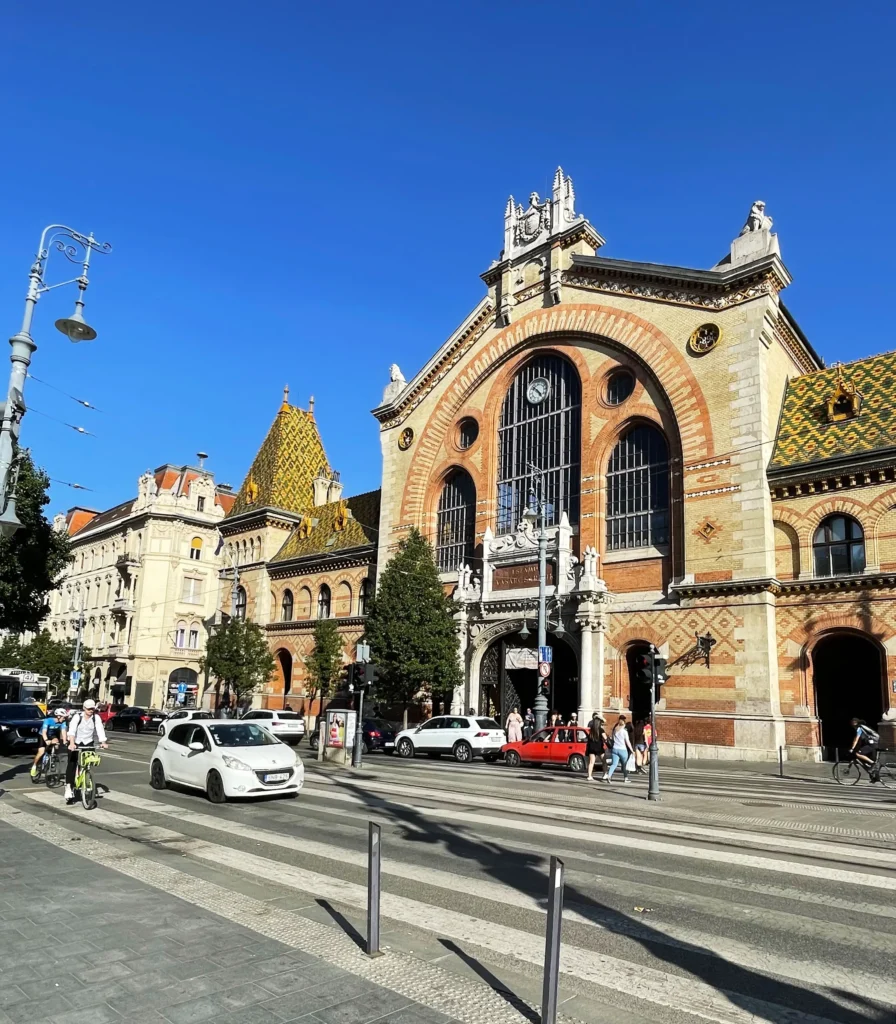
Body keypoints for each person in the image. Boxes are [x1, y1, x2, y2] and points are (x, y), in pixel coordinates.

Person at [64, 699, 108, 804]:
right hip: (76, 742)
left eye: (92, 709)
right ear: (84, 708)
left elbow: (100, 729)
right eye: (89, 709)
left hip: (88, 743)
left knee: (89, 762)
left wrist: (103, 741)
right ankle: (69, 787)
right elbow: (72, 731)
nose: (91, 711)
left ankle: (87, 777)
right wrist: (71, 743)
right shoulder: (77, 717)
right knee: (72, 764)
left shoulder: (96, 718)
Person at [31, 707, 68, 778]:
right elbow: (44, 732)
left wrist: (65, 741)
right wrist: (46, 740)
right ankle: (34, 766)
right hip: (43, 735)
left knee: (57, 742)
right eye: (64, 717)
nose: (64, 719)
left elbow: (63, 732)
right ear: (58, 716)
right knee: (41, 752)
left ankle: (52, 757)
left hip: (52, 735)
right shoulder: (48, 720)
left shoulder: (63, 722)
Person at [603, 715, 634, 783]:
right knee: (624, 765)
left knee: (614, 764)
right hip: (623, 750)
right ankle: (626, 778)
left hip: (615, 749)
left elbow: (613, 739)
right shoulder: (624, 732)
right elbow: (627, 742)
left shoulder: (615, 730)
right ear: (624, 723)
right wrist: (632, 750)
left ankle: (609, 776)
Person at [585, 715, 606, 781]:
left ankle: (589, 776)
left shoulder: (591, 730)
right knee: (604, 761)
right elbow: (605, 738)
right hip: (599, 748)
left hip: (591, 748)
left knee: (591, 763)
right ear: (599, 722)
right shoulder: (601, 729)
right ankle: (605, 774)